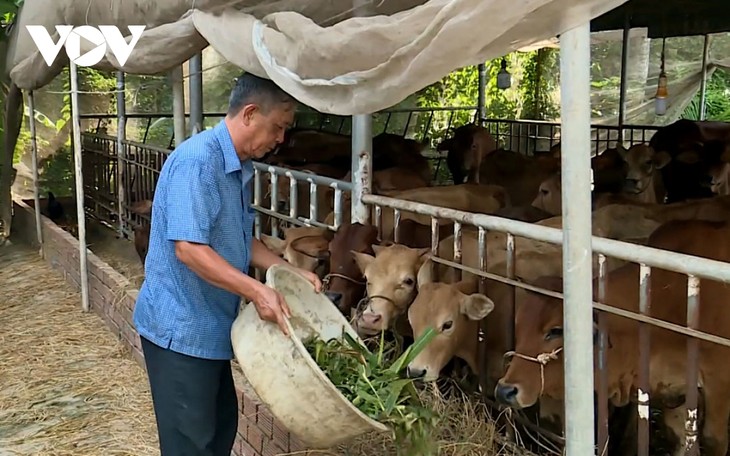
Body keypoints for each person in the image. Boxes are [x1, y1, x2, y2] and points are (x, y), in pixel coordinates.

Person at [132, 72, 322, 456]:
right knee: (191, 444)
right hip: (181, 332)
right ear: (250, 113)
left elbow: (238, 236)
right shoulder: (198, 162)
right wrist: (257, 291)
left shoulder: (235, 166)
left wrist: (285, 271)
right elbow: (189, 249)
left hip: (213, 330)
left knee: (217, 433)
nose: (281, 139)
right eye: (278, 127)